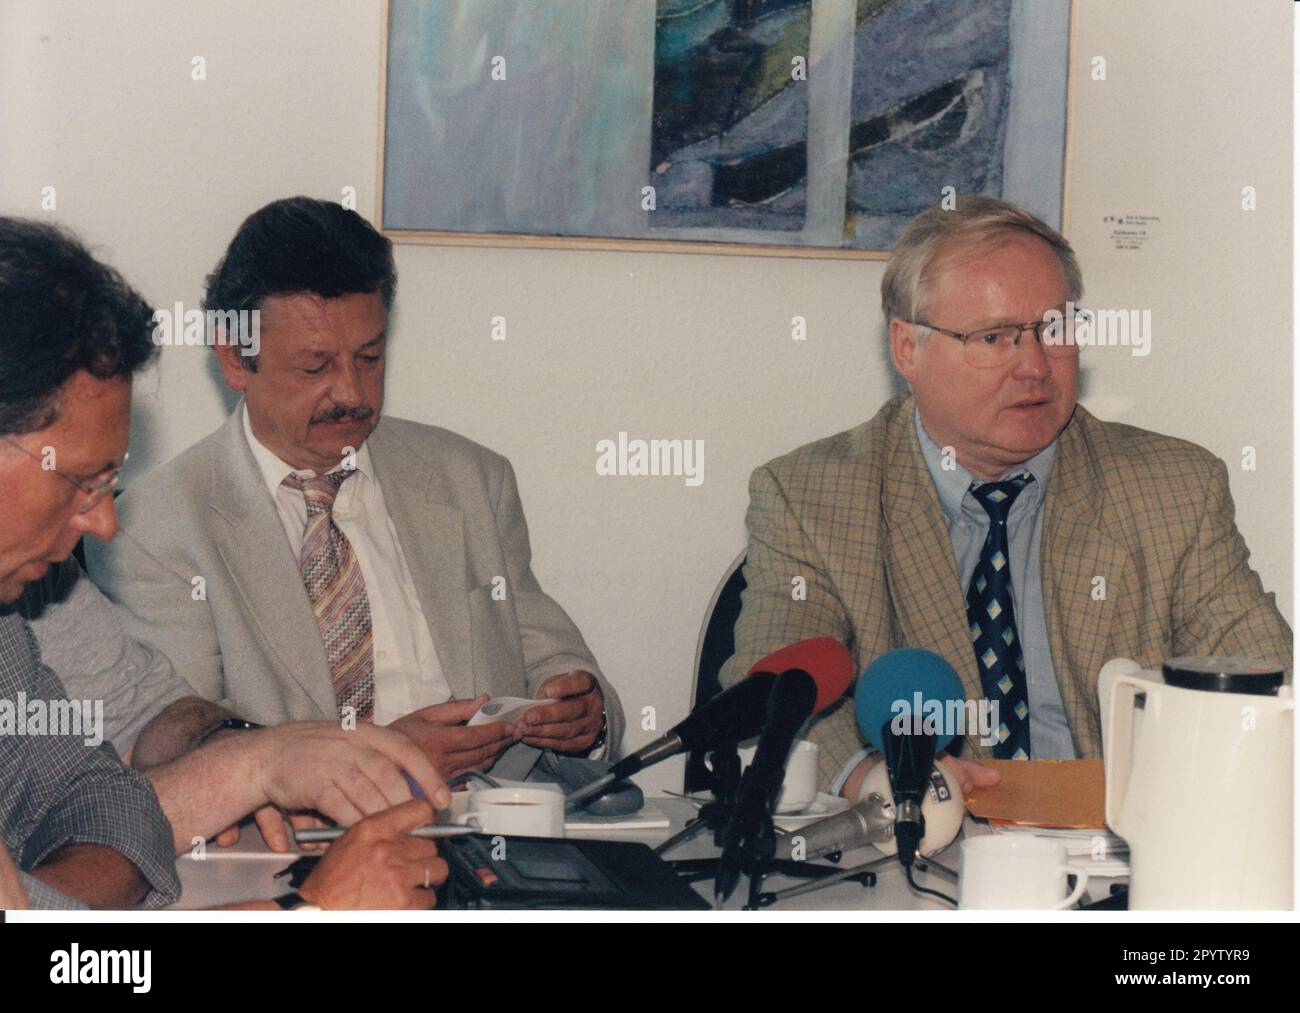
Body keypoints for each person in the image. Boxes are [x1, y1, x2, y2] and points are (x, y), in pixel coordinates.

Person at [719, 196, 1292, 799]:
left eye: (1054, 330)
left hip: (1118, 851)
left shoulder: (1174, 488)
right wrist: (881, 782)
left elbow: (1264, 687)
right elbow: (777, 690)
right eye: (994, 337)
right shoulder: (812, 497)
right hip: (906, 854)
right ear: (908, 347)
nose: (1034, 368)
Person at [0, 216, 449, 909]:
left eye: (108, 483)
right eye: (79, 482)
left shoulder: (8, 627)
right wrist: (301, 912)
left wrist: (250, 756)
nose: (105, 521)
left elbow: (105, 800)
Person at [87, 197, 623, 775]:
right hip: (295, 851)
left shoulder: (470, 479)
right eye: (315, 367)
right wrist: (380, 761)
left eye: (369, 357)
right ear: (235, 359)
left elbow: (550, 652)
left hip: (489, 828)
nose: (353, 393)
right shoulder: (157, 527)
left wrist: (579, 708)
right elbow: (178, 748)